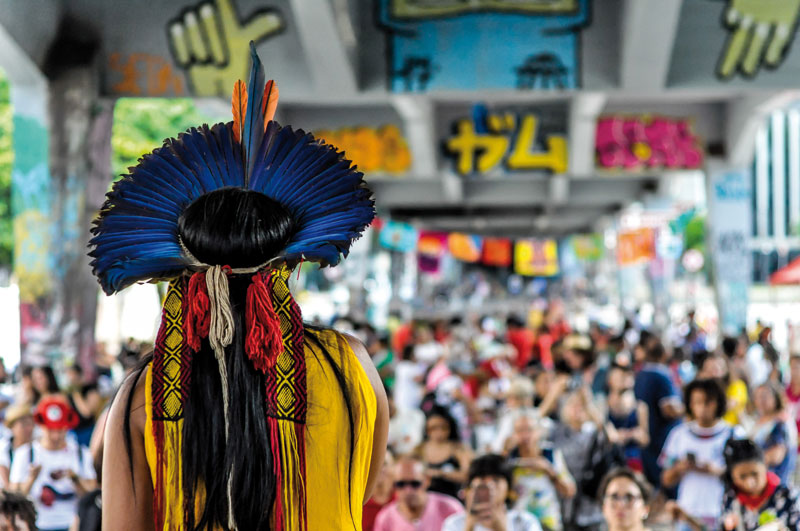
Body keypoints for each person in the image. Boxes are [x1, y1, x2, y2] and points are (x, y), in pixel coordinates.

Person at [97, 46, 389, 529]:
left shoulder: (144, 395)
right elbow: (356, 489)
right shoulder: (351, 364)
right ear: (286, 268)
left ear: (183, 280)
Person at [660, 379, 738, 529]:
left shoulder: (733, 434)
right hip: (687, 512)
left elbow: (745, 475)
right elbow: (665, 478)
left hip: (722, 512)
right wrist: (679, 468)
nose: (703, 407)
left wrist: (716, 471)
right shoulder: (679, 434)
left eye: (708, 402)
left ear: (718, 403)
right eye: (697, 401)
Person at [9, 397, 96, 531]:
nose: (56, 436)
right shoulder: (25, 454)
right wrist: (31, 479)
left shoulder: (81, 453)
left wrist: (75, 478)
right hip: (38, 525)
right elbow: (14, 498)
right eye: (50, 430)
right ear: (41, 427)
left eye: (60, 430)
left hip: (75, 525)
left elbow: (93, 494)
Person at [507, 414, 575, 531]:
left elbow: (569, 491)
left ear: (538, 432)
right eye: (519, 431)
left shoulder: (550, 454)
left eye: (529, 430)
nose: (525, 435)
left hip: (548, 522)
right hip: (519, 525)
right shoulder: (509, 459)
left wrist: (549, 471)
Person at [442, 454, 542, 531]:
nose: (489, 487)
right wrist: (469, 526)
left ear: (508, 488)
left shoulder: (524, 521)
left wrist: (501, 527)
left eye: (496, 480)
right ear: (470, 487)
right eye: (482, 480)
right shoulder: (454, 524)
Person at [634, 341, 684, 489]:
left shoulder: (641, 374)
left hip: (649, 440)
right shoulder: (661, 376)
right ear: (664, 354)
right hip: (663, 441)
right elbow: (669, 409)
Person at [720, 438, 800, 530]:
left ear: (765, 466)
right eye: (742, 476)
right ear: (733, 476)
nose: (749, 482)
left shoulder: (788, 496)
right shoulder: (731, 498)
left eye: (754, 474)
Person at [373, 455, 464, 531]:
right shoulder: (385, 518)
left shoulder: (450, 509)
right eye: (401, 484)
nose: (408, 490)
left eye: (415, 484)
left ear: (426, 480)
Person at [415, 405, 472, 500]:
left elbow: (467, 475)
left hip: (452, 498)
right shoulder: (418, 449)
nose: (439, 432)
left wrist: (441, 473)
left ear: (450, 427)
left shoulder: (459, 449)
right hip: (426, 500)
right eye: (433, 428)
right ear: (426, 430)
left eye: (443, 428)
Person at [749, 381, 797, 485]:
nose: (762, 400)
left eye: (765, 396)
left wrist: (749, 465)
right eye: (758, 397)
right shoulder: (759, 421)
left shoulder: (781, 421)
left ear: (775, 397)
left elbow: (776, 456)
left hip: (776, 482)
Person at [605, 364, 648, 472]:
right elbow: (611, 437)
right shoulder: (603, 405)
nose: (624, 380)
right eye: (620, 376)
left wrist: (622, 434)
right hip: (610, 461)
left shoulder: (640, 407)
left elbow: (644, 439)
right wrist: (633, 433)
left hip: (633, 462)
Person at [64, 365, 101, 448]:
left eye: (73, 375)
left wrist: (76, 393)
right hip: (73, 432)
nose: (71, 379)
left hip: (88, 430)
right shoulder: (68, 393)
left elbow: (86, 412)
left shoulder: (90, 389)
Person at [0, 404, 34, 487]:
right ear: (12, 427)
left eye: (30, 424)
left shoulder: (37, 448)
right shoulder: (3, 447)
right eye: (24, 425)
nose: (28, 429)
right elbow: (6, 481)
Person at [363, 452, 395, 531]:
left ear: (393, 468)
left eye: (384, 464)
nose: (379, 468)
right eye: (373, 464)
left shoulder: (401, 499)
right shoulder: (361, 503)